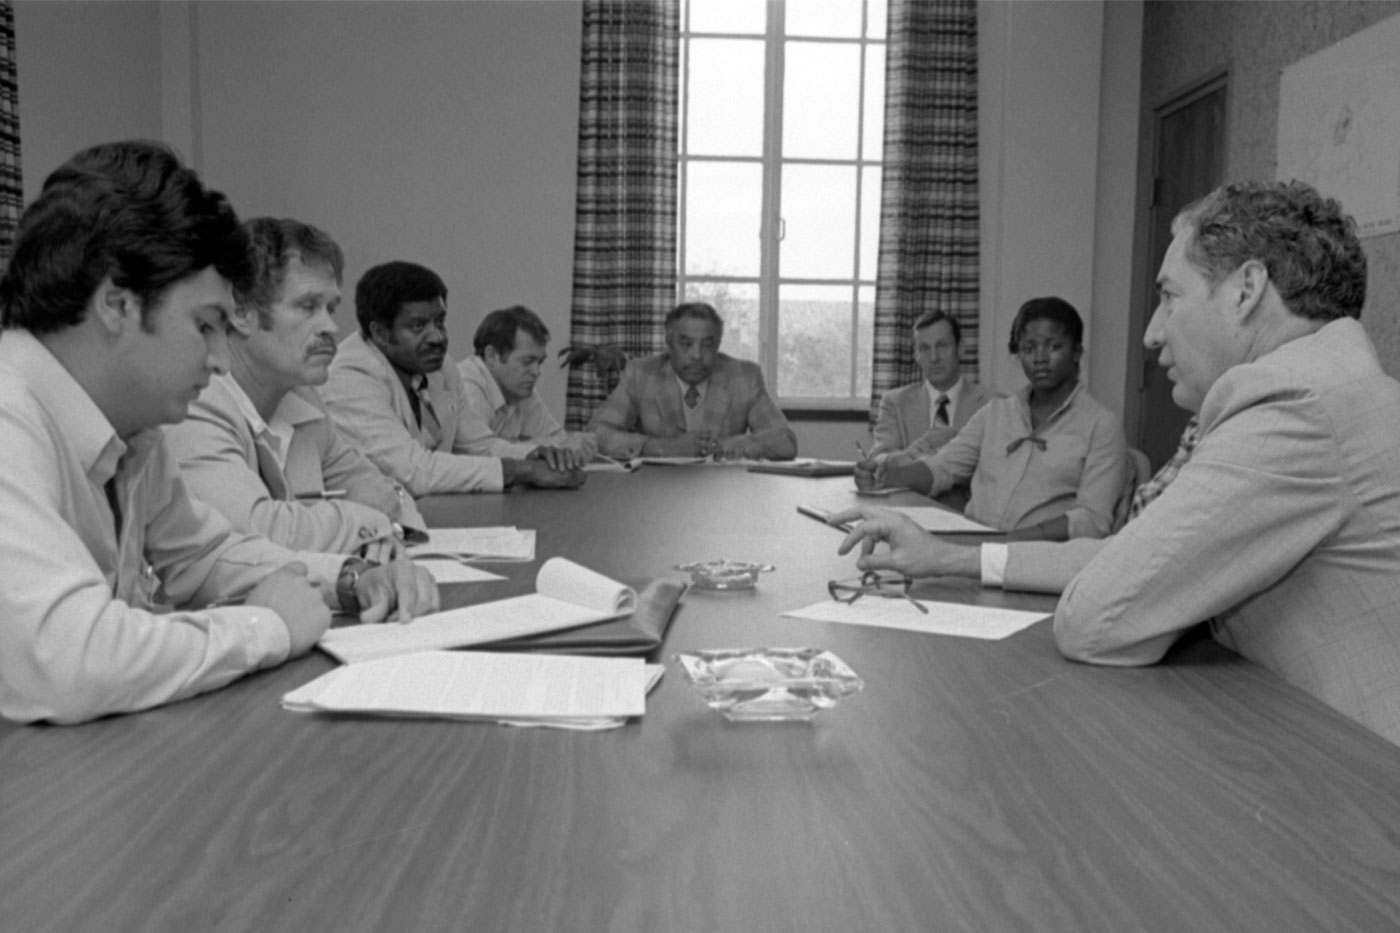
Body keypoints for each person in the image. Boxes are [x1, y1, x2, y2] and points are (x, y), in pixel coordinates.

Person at [835, 180, 1400, 745]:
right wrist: (945, 558)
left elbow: (1096, 618)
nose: (1153, 333)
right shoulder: (1328, 385)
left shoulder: (1290, 406)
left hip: (1357, 787)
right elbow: (1132, 560)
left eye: (1170, 297)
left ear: (1246, 289)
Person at [0, 141, 437, 724]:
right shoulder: (9, 416)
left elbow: (204, 557)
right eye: (206, 325)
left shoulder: (134, 433)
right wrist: (266, 627)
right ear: (116, 304)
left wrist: (350, 581)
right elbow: (69, 661)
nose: (221, 360)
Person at [165, 217, 426, 557]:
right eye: (308, 306)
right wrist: (368, 529)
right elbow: (256, 531)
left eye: (331, 308)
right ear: (242, 312)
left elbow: (379, 490)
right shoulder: (196, 400)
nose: (331, 326)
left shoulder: (303, 398)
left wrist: (376, 524)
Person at [857, 297, 1127, 541]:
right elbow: (942, 467)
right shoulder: (996, 413)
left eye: (1054, 346)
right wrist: (887, 477)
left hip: (1034, 561)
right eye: (1028, 348)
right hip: (969, 548)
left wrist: (1007, 542)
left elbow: (1092, 520)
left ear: (1077, 352)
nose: (1040, 358)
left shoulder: (1102, 425)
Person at [322, 261, 584, 495]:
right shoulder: (349, 376)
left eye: (440, 322)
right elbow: (412, 470)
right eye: (418, 326)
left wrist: (534, 457)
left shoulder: (443, 369)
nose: (437, 337)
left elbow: (480, 445)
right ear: (379, 333)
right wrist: (521, 470)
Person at [589, 302, 797, 460]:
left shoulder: (744, 377)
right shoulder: (641, 374)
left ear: (718, 345)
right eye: (686, 344)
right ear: (669, 342)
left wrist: (742, 444)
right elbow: (596, 434)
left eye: (707, 345)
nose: (697, 355)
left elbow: (786, 442)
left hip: (724, 495)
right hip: (656, 494)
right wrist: (661, 447)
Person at [456, 304, 595, 468]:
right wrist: (539, 447)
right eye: (527, 362)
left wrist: (574, 441)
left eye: (540, 362)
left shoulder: (519, 389)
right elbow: (481, 452)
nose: (536, 372)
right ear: (492, 356)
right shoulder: (466, 385)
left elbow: (558, 438)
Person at [869, 310, 995, 457]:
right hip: (912, 480)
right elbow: (880, 457)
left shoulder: (992, 405)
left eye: (942, 346)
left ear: (960, 349)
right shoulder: (895, 403)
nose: (934, 357)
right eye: (925, 348)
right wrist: (911, 454)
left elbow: (1001, 463)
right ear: (916, 355)